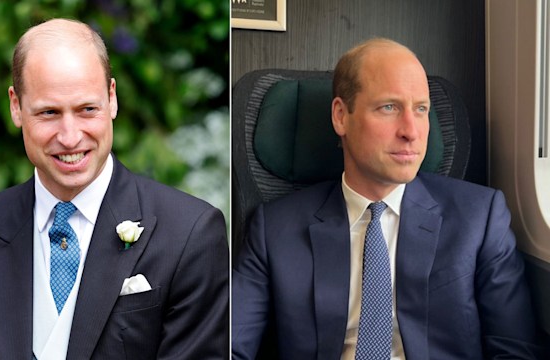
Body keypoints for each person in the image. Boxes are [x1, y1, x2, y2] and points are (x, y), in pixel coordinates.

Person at [0, 18, 228, 359]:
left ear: (112, 97)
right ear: (16, 106)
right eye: (49, 112)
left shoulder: (190, 234)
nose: (70, 136)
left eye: (87, 109)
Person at [232, 38, 547, 359]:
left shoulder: (479, 218)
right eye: (389, 107)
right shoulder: (274, 229)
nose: (411, 131)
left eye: (421, 109)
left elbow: (515, 350)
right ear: (341, 116)